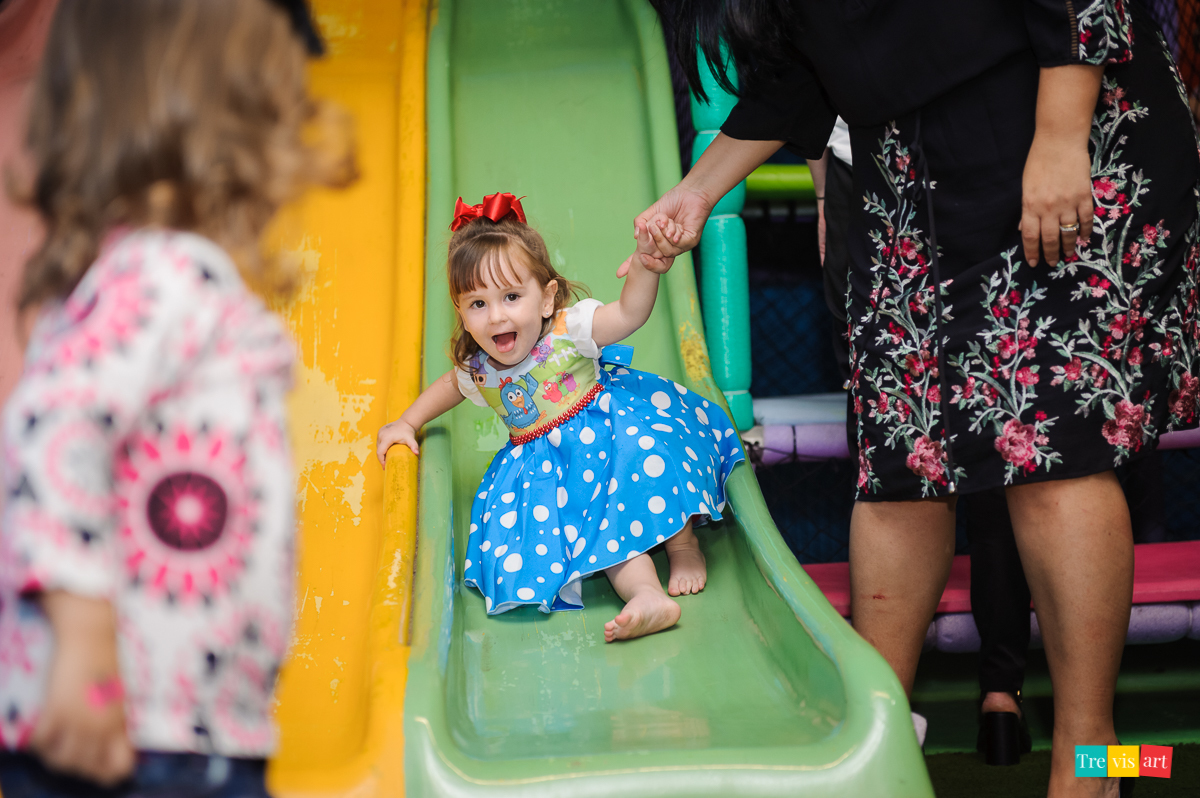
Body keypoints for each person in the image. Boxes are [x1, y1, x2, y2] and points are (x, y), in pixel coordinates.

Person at [642, 1, 1199, 794]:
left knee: (1050, 451)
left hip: (1058, 132)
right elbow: (800, 70)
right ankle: (879, 734)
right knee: (902, 457)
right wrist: (695, 193)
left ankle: (1092, 762)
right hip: (910, 169)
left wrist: (1060, 137)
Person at [0, 0, 350, 795]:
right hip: (131, 726)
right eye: (271, 111)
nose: (290, 141)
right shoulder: (163, 273)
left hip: (183, 724)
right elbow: (55, 426)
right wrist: (85, 646)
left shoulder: (148, 277)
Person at [376, 193, 745, 642]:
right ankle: (646, 595)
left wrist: (646, 267)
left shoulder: (571, 330)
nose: (496, 316)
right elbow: (448, 388)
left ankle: (683, 544)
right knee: (593, 530)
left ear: (547, 297)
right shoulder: (480, 368)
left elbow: (629, 314)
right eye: (477, 304)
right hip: (553, 470)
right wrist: (407, 422)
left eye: (512, 296)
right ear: (461, 312)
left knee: (648, 458)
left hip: (612, 431)